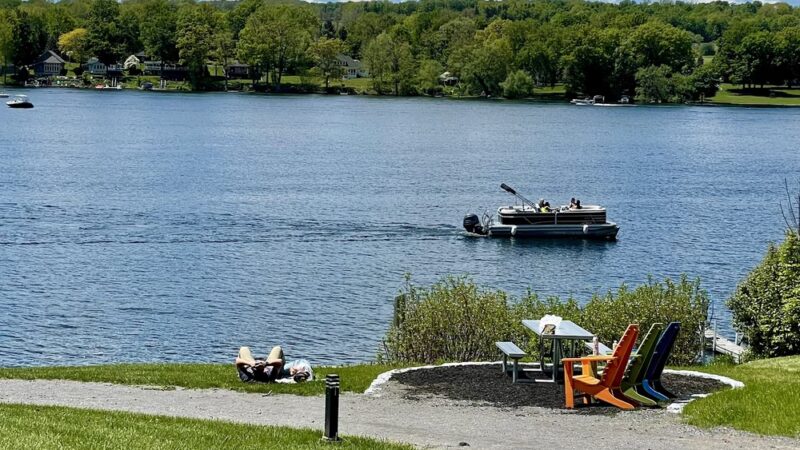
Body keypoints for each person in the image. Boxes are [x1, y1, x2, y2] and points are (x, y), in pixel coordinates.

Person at [235, 346, 313, 383]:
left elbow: (238, 361)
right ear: (263, 370)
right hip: (273, 366)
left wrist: (251, 363)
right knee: (278, 348)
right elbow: (279, 362)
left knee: (244, 349)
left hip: (249, 364)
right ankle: (302, 374)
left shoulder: (247, 375)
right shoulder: (269, 376)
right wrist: (266, 364)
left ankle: (298, 372)